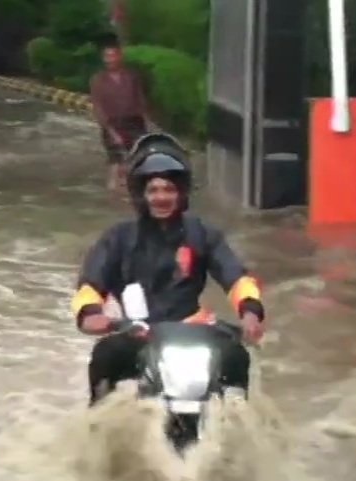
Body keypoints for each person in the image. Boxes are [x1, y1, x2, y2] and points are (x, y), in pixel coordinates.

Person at [69, 133, 266, 405]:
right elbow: (90, 286)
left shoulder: (203, 234)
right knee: (106, 355)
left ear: (181, 193)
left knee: (237, 357)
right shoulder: (118, 238)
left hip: (193, 331)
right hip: (139, 333)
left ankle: (238, 423)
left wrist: (250, 315)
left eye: (169, 189)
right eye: (153, 190)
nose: (161, 197)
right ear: (141, 194)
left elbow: (236, 278)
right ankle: (98, 425)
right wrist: (94, 317)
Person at [89, 35, 153, 195]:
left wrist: (148, 123)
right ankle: (114, 190)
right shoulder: (98, 80)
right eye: (107, 56)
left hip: (134, 122)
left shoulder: (131, 76)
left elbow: (141, 100)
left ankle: (131, 186)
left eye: (113, 55)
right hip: (112, 124)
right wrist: (111, 131)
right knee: (115, 159)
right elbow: (98, 107)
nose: (110, 59)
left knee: (136, 155)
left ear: (120, 56)